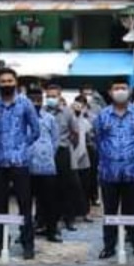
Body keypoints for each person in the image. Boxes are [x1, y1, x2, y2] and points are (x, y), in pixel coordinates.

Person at [0, 68, 41, 260]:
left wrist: (22, 145)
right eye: (3, 81)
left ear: (15, 82)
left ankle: (27, 243)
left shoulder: (25, 103)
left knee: (24, 204)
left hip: (20, 161)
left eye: (10, 81)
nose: (6, 84)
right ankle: (1, 241)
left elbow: (36, 129)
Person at [93, 77, 134, 259]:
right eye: (116, 88)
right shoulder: (102, 115)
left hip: (133, 172)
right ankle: (109, 246)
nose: (120, 91)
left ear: (129, 91)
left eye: (123, 88)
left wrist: (132, 155)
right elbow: (97, 139)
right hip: (109, 173)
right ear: (110, 93)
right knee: (109, 211)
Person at [45, 83, 85, 231]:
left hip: (62, 151)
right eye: (48, 96)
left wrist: (68, 146)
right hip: (46, 153)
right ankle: (46, 220)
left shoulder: (67, 112)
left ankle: (69, 219)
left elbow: (75, 133)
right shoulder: (42, 112)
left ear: (59, 96)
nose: (51, 99)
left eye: (54, 96)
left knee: (66, 187)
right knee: (47, 187)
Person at [28, 87, 60, 242]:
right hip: (27, 167)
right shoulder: (21, 119)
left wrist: (47, 155)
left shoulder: (49, 118)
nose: (36, 102)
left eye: (38, 99)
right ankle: (25, 233)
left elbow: (55, 141)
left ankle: (52, 231)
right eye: (33, 100)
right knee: (25, 204)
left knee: (50, 202)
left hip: (46, 167)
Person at [71, 95, 95, 223]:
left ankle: (86, 212)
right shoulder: (69, 118)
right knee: (73, 187)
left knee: (85, 187)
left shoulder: (86, 121)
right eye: (76, 105)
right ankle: (73, 212)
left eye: (81, 105)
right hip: (71, 158)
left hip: (84, 158)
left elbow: (89, 137)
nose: (78, 108)